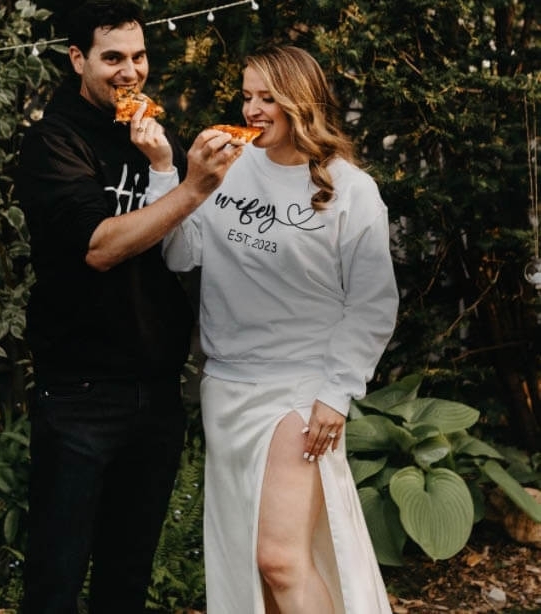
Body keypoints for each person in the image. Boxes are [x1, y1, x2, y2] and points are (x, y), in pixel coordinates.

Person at [14, 0, 242, 612]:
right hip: (80, 396)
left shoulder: (148, 134)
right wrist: (193, 187)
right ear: (77, 59)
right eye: (112, 57)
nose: (129, 71)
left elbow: (179, 253)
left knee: (127, 581)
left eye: (138, 56)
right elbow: (99, 248)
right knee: (56, 582)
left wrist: (168, 168)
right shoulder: (53, 141)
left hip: (156, 393)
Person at [163, 45, 399, 613]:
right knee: (255, 566)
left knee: (280, 558)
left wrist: (336, 393)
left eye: (268, 97)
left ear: (302, 101)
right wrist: (171, 177)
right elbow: (179, 254)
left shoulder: (352, 190)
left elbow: (372, 303)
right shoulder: (225, 168)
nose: (252, 109)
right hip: (226, 387)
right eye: (246, 96)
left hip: (299, 390)